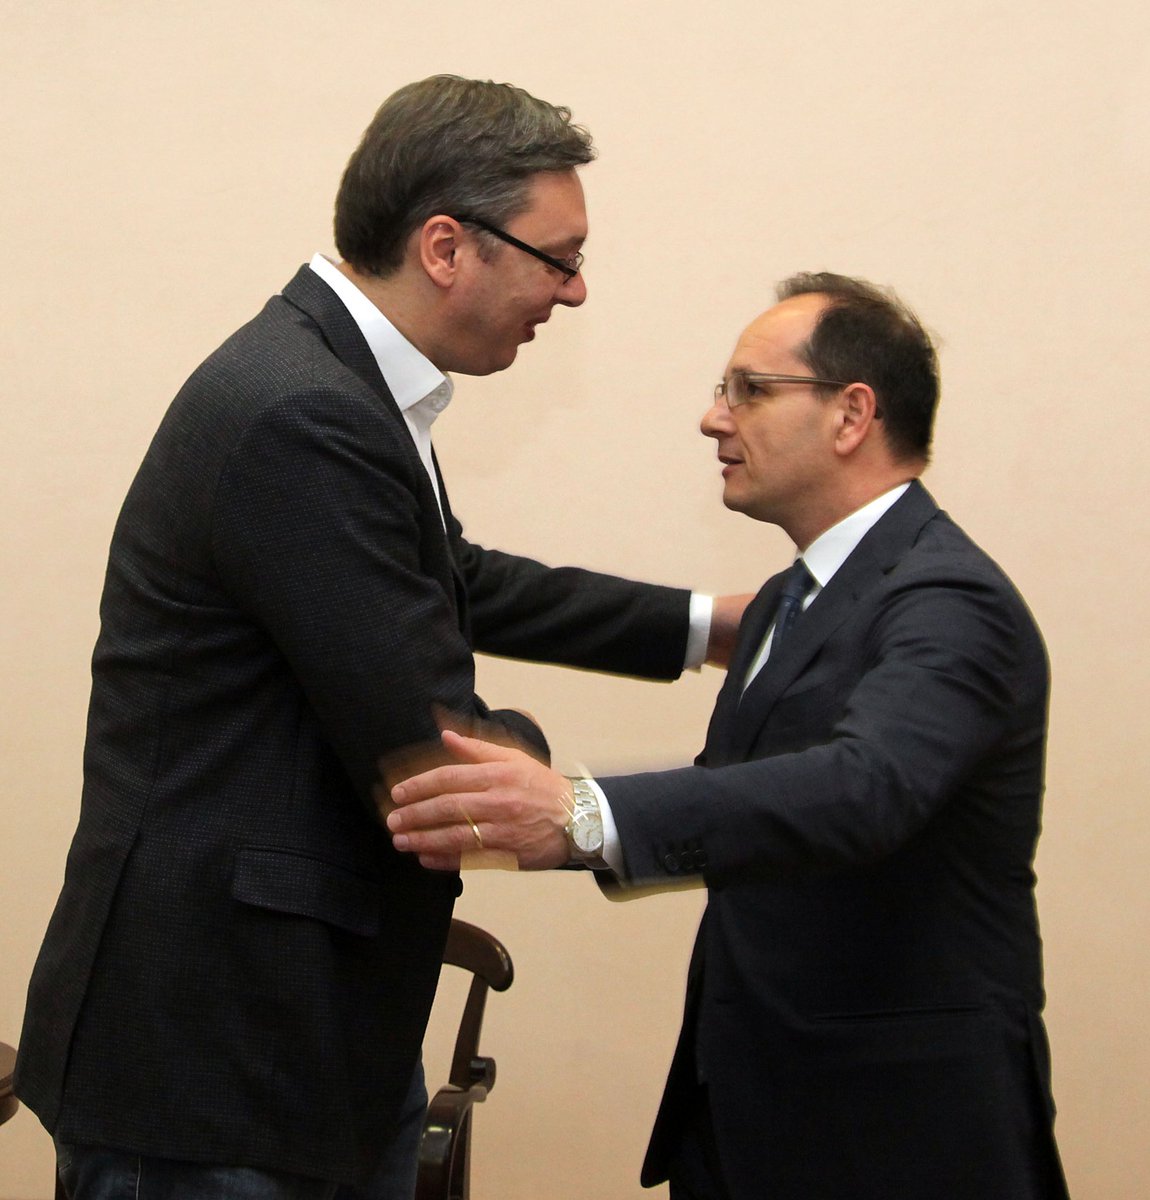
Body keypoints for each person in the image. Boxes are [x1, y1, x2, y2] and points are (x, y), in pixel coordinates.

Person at [14, 76, 747, 1200]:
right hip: (220, 1061)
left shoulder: (331, 375)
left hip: (292, 1034)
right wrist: (587, 800)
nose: (575, 290)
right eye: (558, 258)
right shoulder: (303, 410)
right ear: (446, 246)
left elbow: (448, 577)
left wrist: (705, 626)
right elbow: (424, 745)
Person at [387, 272, 1070, 1200]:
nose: (714, 419)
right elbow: (741, 803)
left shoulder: (950, 600)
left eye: (750, 390)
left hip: (895, 1128)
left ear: (851, 414)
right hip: (751, 1112)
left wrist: (583, 813)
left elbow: (864, 788)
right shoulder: (791, 598)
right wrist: (538, 816)